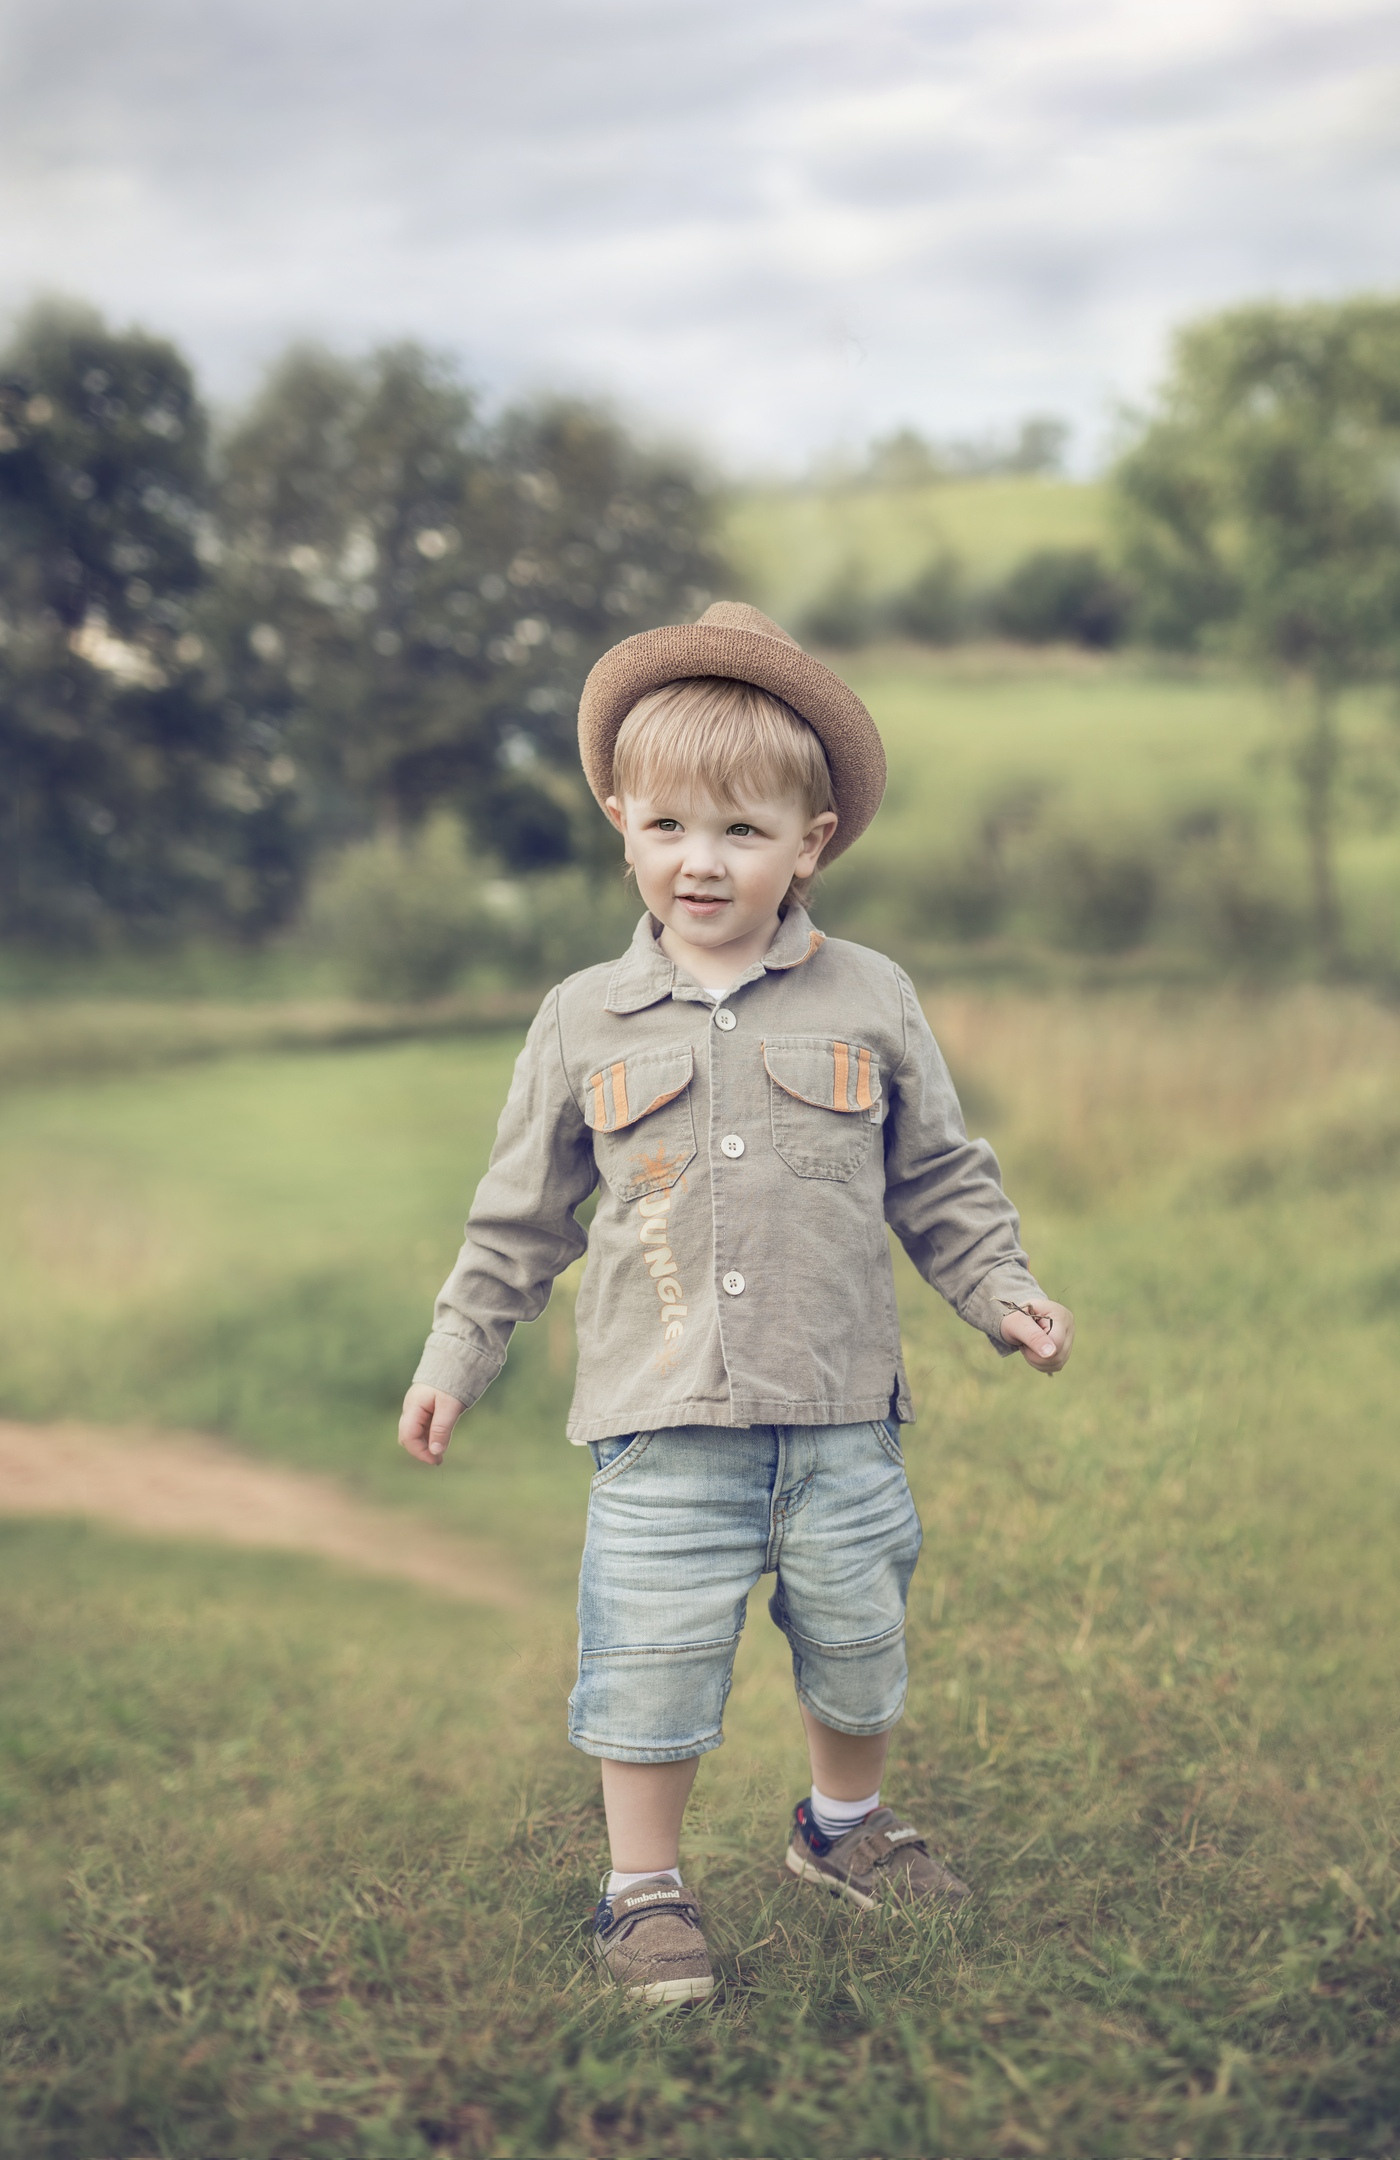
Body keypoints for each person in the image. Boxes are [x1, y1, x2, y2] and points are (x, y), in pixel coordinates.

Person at [398, 602, 1075, 2006]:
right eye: (668, 827)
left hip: (840, 1416)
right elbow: (522, 1216)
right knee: (647, 1657)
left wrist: (1000, 1288)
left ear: (809, 843)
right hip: (660, 1426)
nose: (700, 861)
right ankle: (641, 1889)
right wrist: (458, 1354)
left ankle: (842, 1828)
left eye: (742, 831)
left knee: (858, 1642)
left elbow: (939, 1177)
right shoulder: (582, 1018)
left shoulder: (870, 997)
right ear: (621, 824)